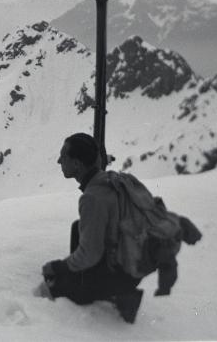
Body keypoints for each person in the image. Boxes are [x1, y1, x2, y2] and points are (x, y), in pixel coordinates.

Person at [35, 133, 152, 323]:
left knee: (50, 289)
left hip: (121, 273)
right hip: (136, 262)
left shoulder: (92, 198)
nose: (58, 161)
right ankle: (102, 284)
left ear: (77, 164)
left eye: (63, 157)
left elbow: (90, 254)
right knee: (78, 227)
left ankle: (118, 294)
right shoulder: (113, 180)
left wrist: (59, 267)